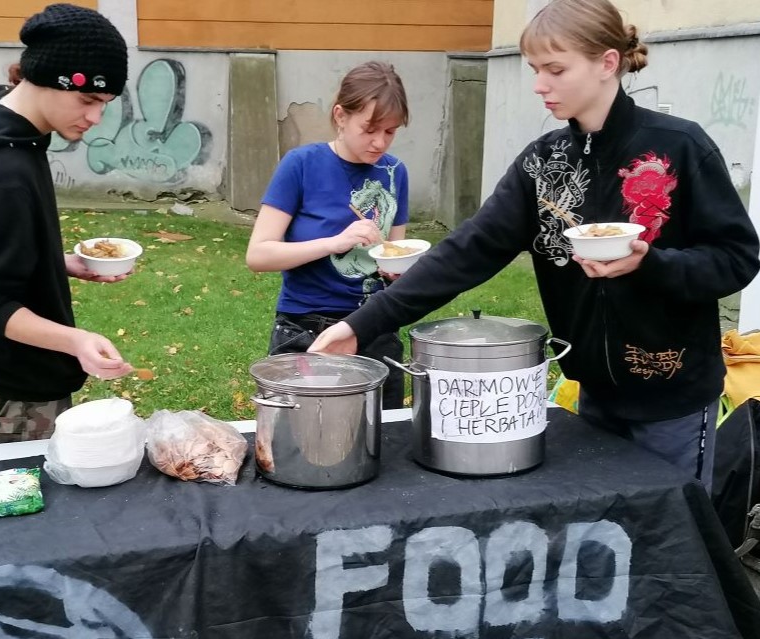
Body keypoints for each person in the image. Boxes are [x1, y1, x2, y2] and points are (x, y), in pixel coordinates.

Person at [309, 0, 760, 491]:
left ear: (607, 63)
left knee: (674, 541)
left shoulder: (680, 147)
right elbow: (467, 251)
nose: (539, 85)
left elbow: (737, 258)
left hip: (673, 399)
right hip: (593, 394)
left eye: (555, 69)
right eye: (535, 70)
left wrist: (650, 263)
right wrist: (363, 324)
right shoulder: (543, 164)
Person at [0, 4, 134, 445]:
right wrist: (77, 341)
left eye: (104, 104)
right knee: (29, 504)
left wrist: (56, 261)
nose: (95, 118)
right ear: (44, 77)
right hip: (14, 388)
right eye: (87, 100)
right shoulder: (5, 173)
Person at [246, 61, 411, 408]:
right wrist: (335, 243)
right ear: (340, 116)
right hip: (306, 327)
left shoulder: (395, 172)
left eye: (391, 131)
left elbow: (397, 256)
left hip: (374, 326)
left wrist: (397, 269)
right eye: (370, 128)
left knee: (382, 441)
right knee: (301, 440)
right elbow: (258, 255)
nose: (380, 142)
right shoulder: (301, 164)